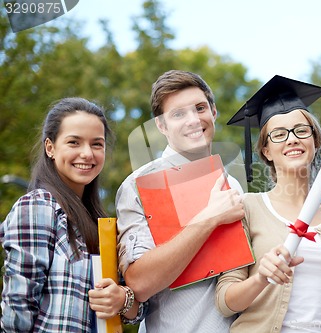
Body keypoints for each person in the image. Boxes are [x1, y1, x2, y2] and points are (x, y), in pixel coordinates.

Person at [216, 75, 321, 333]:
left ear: (315, 141)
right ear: (266, 151)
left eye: (301, 131)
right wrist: (260, 278)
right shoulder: (247, 208)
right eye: (278, 134)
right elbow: (225, 301)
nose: (292, 139)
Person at [116, 70, 245, 332]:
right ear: (161, 126)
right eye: (178, 114)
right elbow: (139, 284)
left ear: (214, 112)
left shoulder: (233, 185)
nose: (193, 120)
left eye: (200, 108)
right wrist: (209, 218)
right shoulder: (141, 184)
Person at [1, 97, 144, 332]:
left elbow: (138, 308)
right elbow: (18, 310)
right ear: (50, 148)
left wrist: (122, 298)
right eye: (74, 142)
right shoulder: (39, 206)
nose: (87, 153)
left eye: (97, 144)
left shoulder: (102, 223)